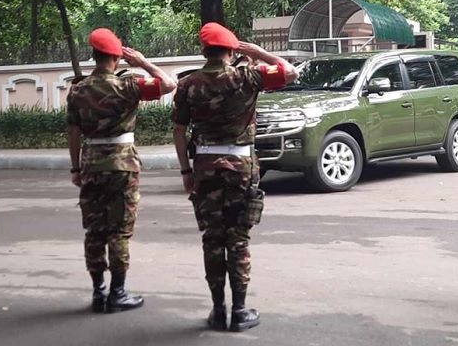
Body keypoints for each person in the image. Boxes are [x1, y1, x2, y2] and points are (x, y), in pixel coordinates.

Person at [172, 23, 298, 332]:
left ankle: (218, 311)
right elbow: (290, 72)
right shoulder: (247, 77)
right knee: (238, 240)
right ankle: (239, 311)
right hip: (241, 168)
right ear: (231, 52)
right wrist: (257, 52)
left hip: (204, 167)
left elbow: (178, 131)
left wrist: (186, 170)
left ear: (204, 51)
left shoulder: (188, 84)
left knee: (212, 240)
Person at [66, 28, 177, 313]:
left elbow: (73, 133)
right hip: (122, 166)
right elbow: (168, 84)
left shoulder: (78, 89)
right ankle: (117, 293)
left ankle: (97, 292)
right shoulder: (128, 86)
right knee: (119, 231)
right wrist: (142, 62)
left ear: (94, 56)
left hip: (91, 164)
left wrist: (76, 166)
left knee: (94, 231)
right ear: (117, 57)